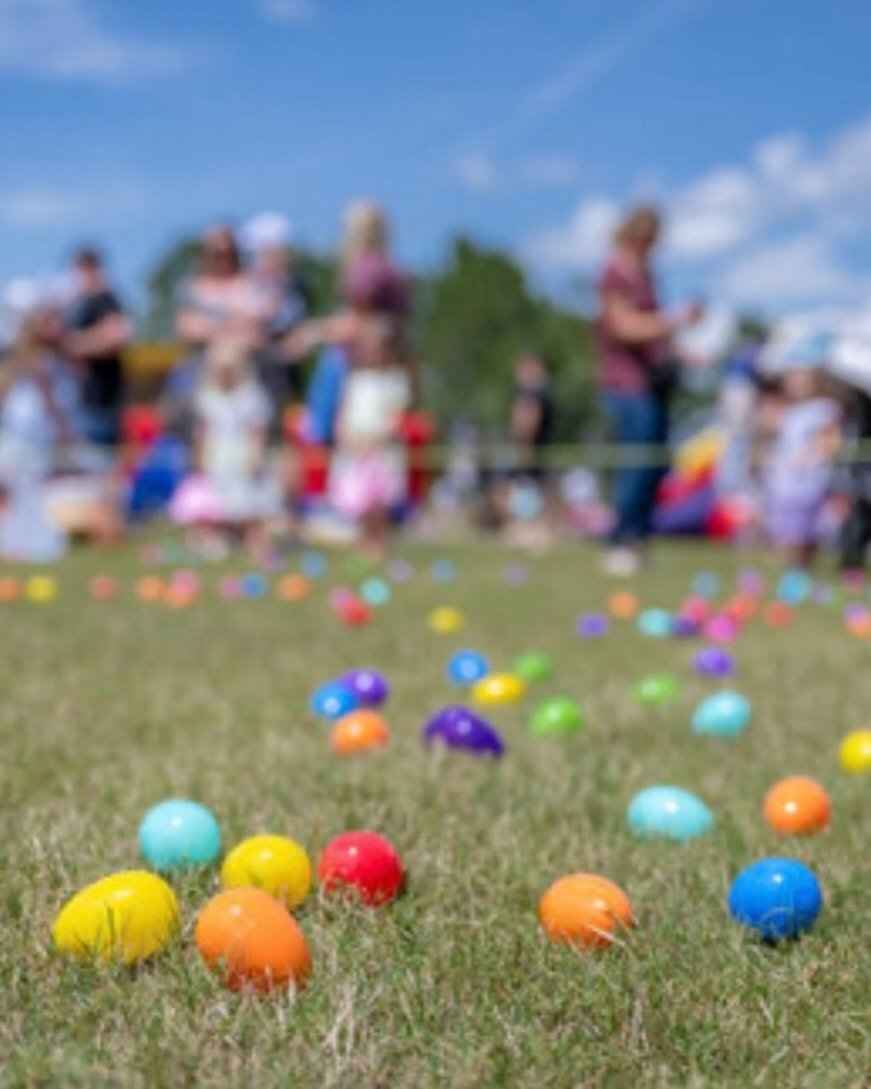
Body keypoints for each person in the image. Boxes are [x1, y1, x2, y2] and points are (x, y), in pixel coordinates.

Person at [596, 205, 703, 575]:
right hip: (625, 383)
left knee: (656, 463)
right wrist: (676, 320)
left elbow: (654, 335)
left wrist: (682, 353)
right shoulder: (616, 271)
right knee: (637, 462)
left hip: (652, 383)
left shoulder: (646, 275)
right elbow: (623, 327)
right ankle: (621, 539)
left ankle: (638, 539)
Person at [170, 338, 278, 555]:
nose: (225, 374)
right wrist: (199, 456)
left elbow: (257, 429)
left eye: (229, 369)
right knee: (213, 502)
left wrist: (255, 453)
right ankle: (210, 540)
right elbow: (203, 429)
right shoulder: (208, 396)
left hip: (242, 455)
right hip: (218, 457)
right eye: (220, 369)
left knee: (249, 504)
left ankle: (254, 541)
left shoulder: (250, 395)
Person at [168, 225, 267, 434]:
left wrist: (209, 325)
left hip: (244, 385)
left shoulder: (252, 285)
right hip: (199, 381)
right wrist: (232, 324)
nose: (221, 258)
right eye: (215, 253)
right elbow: (186, 328)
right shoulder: (191, 287)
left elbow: (256, 335)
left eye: (227, 253)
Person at [329, 316, 412, 560]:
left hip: (380, 449)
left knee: (378, 501)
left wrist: (375, 441)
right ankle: (363, 541)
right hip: (354, 447)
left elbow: (395, 417)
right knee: (359, 500)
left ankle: (379, 543)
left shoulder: (394, 380)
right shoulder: (354, 379)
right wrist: (345, 436)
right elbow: (343, 412)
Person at [765, 364, 841, 569]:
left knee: (806, 528)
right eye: (794, 383)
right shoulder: (789, 411)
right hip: (785, 478)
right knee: (786, 526)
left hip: (810, 479)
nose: (798, 387)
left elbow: (831, 440)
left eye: (804, 383)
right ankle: (793, 566)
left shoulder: (824, 408)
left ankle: (803, 566)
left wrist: (814, 456)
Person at [65, 247, 131, 449]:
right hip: (79, 404)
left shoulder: (107, 300)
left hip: (103, 404)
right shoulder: (76, 305)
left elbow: (116, 337)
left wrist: (76, 344)